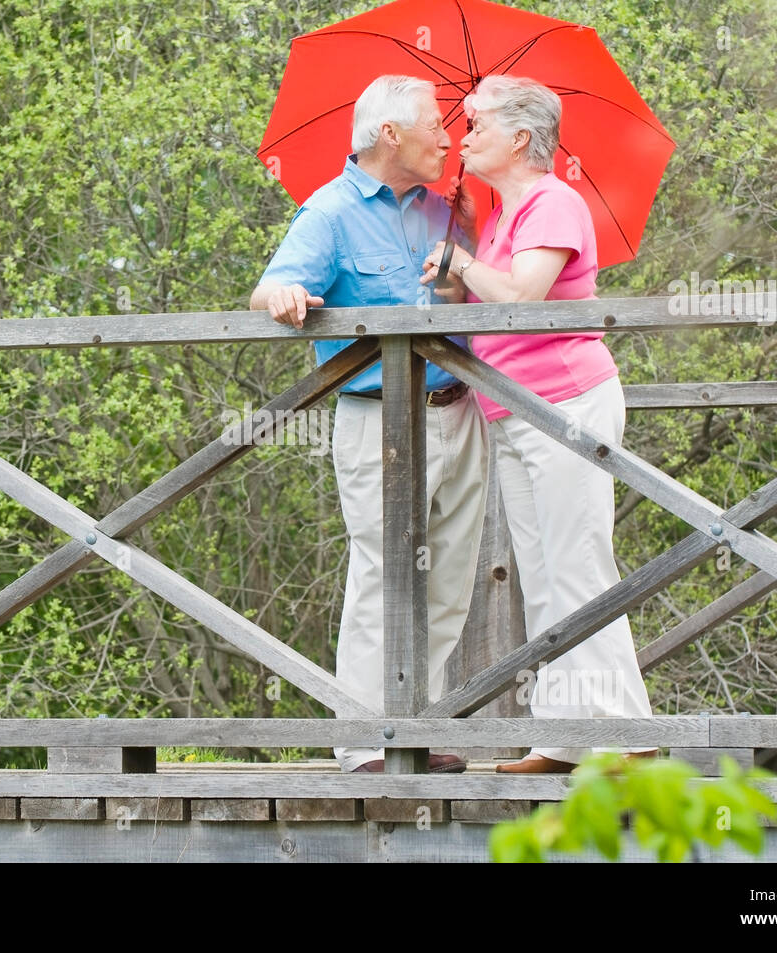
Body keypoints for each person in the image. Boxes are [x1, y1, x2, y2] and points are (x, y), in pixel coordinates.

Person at [250, 75, 490, 774]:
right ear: (390, 133)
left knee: (449, 577)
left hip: (459, 410)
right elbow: (268, 286)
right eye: (437, 125)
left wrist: (467, 247)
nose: (448, 137)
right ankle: (364, 742)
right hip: (378, 422)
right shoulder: (328, 211)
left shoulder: (447, 210)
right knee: (383, 578)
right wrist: (288, 294)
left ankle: (423, 727)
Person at [420, 74, 657, 773]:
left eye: (477, 123)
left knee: (579, 565)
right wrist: (459, 239)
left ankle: (625, 737)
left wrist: (464, 259)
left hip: (567, 405)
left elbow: (523, 296)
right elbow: (471, 308)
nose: (464, 135)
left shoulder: (554, 201)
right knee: (544, 575)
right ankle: (563, 736)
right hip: (515, 413)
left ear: (520, 136)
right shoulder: (500, 216)